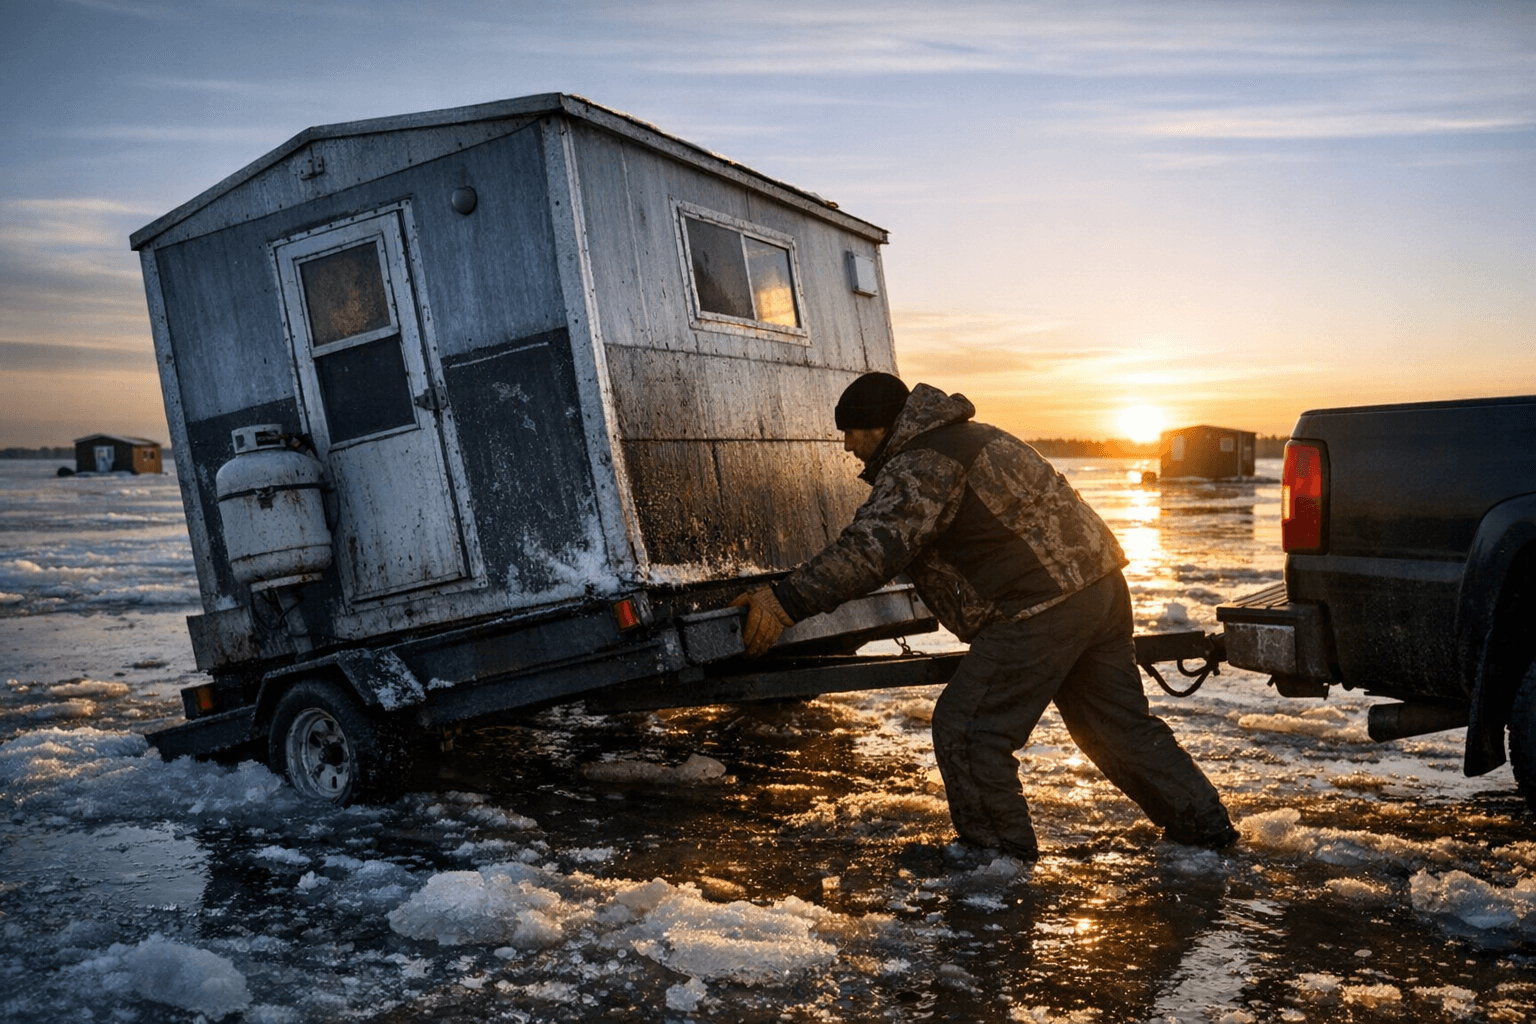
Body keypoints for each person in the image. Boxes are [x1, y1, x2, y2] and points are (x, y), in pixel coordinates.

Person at [730, 372, 1237, 862]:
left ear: (879, 426)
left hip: (1038, 606)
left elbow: (871, 549)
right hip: (1099, 588)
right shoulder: (971, 437)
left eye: (850, 431)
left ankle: (998, 863)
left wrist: (784, 601)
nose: (846, 445)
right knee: (1119, 727)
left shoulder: (922, 462)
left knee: (969, 729)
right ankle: (1207, 832)